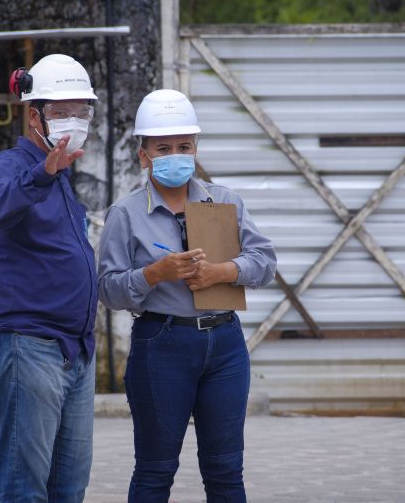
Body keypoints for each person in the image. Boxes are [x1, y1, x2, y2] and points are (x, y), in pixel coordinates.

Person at [98, 89, 277, 502]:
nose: (176, 154)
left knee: (226, 470)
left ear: (196, 148)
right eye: (163, 147)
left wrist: (224, 271)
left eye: (184, 146)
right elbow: (108, 288)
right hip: (162, 345)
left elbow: (265, 261)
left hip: (226, 345)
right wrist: (152, 274)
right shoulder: (125, 214)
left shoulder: (224, 201)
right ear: (143, 154)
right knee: (156, 470)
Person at [0, 54, 99, 503]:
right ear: (33, 115)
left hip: (72, 352)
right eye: (62, 111)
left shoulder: (60, 178)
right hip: (26, 346)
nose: (74, 121)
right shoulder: (12, 166)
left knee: (68, 490)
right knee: (26, 491)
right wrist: (42, 174)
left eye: (81, 111)